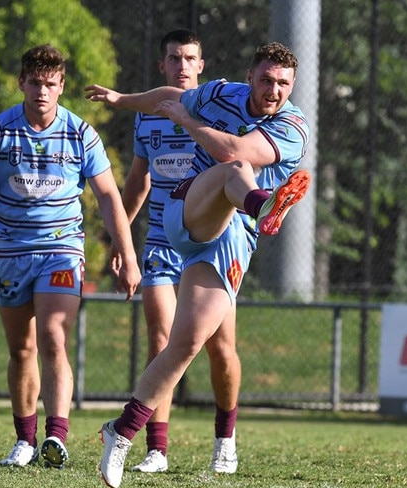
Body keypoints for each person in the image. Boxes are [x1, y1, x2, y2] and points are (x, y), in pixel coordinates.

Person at [85, 40, 311, 488]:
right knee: (232, 174)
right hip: (187, 208)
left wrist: (187, 122)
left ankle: (121, 432)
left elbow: (234, 147)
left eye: (283, 83)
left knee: (187, 342)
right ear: (249, 77)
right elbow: (167, 99)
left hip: (230, 242)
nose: (273, 90)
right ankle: (264, 204)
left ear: (293, 86)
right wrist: (121, 99)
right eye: (266, 80)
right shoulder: (219, 93)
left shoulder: (293, 126)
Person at [0, 44, 141, 470]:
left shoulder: (80, 133)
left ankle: (56, 436)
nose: (42, 91)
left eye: (51, 84)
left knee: (53, 335)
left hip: (61, 250)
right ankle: (24, 439)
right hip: (11, 254)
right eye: (35, 83)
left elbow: (110, 195)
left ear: (62, 87)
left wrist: (128, 255)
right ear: (22, 82)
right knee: (21, 349)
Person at [111, 28, 242, 474]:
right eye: (174, 58)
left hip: (211, 241)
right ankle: (156, 449)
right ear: (162, 66)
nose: (182, 65)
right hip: (162, 244)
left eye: (190, 58)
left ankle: (225, 439)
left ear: (202, 66)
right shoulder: (146, 116)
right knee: (161, 339)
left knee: (221, 347)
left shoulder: (219, 110)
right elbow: (138, 180)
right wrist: (120, 237)